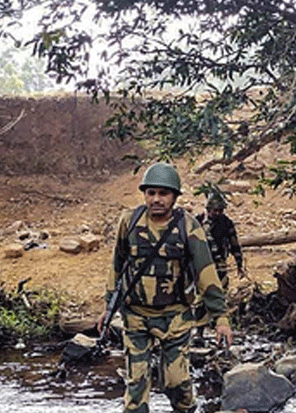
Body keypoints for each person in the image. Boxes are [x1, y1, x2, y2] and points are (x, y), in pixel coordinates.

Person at [98, 162, 233, 413]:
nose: (156, 199)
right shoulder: (130, 221)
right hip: (136, 318)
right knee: (136, 388)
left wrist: (220, 317)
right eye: (151, 193)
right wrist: (108, 307)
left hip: (175, 317)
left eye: (163, 193)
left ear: (174, 196)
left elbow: (206, 272)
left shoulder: (188, 225)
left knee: (177, 385)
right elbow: (116, 266)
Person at [195, 194, 245, 290]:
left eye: (220, 211)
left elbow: (234, 244)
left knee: (221, 288)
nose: (218, 213)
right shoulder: (198, 221)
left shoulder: (226, 222)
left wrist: (239, 264)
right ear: (209, 209)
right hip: (201, 262)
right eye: (215, 210)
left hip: (220, 261)